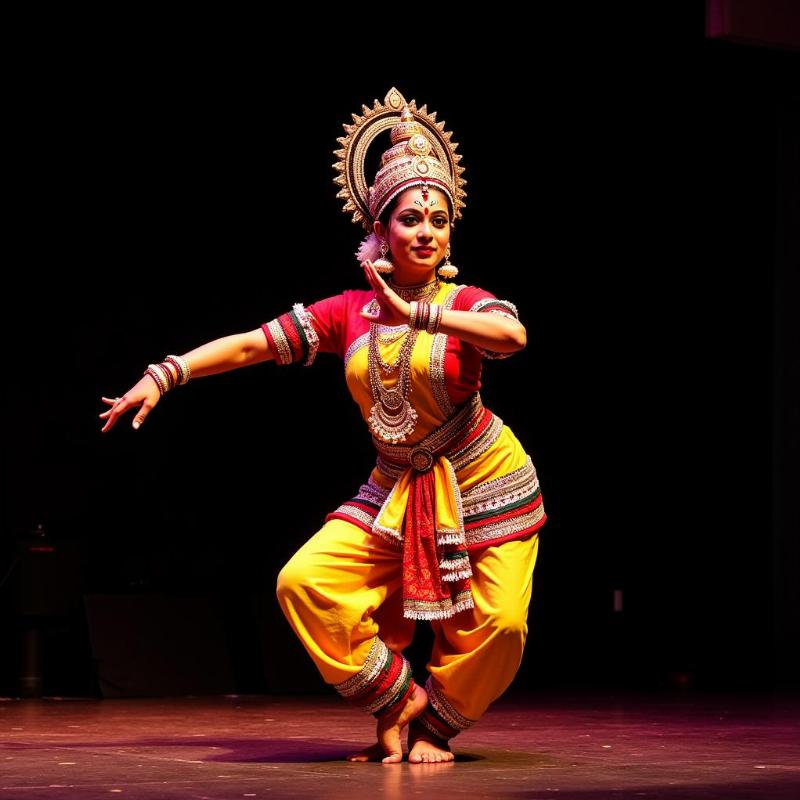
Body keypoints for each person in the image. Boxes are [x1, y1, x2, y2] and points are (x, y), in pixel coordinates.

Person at [100, 88, 546, 764]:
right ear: (380, 230)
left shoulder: (464, 303)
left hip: (485, 481)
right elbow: (254, 344)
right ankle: (402, 703)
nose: (427, 230)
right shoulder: (352, 313)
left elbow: (511, 336)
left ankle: (435, 729)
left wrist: (426, 316)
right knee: (304, 584)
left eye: (439, 218)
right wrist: (167, 374)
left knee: (503, 623)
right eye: (410, 219)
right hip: (397, 486)